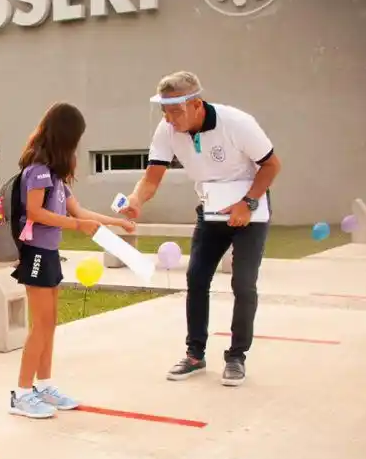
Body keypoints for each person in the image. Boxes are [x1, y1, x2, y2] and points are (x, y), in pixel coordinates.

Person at [118, 71, 281, 386]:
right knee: (196, 278)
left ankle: (236, 357)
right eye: (164, 111)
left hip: (249, 210)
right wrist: (137, 200)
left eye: (175, 111)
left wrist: (246, 204)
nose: (169, 118)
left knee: (244, 284)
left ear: (197, 104)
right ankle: (195, 355)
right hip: (211, 210)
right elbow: (152, 177)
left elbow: (272, 165)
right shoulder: (167, 130)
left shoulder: (237, 123)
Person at [9, 102, 137, 418]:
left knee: (50, 323)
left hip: (50, 254)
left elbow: (80, 211)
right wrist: (78, 226)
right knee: (40, 324)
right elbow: (35, 212)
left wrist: (117, 222)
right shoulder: (37, 171)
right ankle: (22, 393)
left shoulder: (57, 178)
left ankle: (45, 385)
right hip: (35, 254)